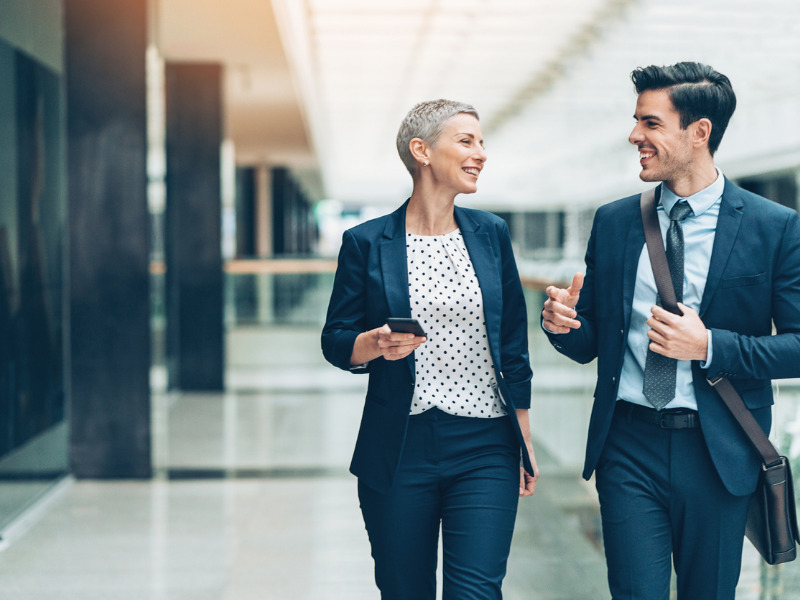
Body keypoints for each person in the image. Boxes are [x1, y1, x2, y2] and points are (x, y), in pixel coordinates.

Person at [541, 62, 800, 599]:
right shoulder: (615, 222)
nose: (635, 135)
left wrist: (709, 346)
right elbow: (591, 341)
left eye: (651, 123)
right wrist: (562, 325)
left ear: (699, 132)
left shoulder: (773, 227)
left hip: (720, 450)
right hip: (627, 447)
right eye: (636, 121)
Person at [322, 99, 538, 600]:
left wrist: (522, 438)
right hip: (400, 445)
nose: (480, 153)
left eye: (482, 142)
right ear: (421, 150)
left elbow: (512, 343)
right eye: (466, 141)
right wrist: (372, 344)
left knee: (476, 592)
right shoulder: (366, 241)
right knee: (404, 590)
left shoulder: (491, 234)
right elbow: (336, 340)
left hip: (486, 443)